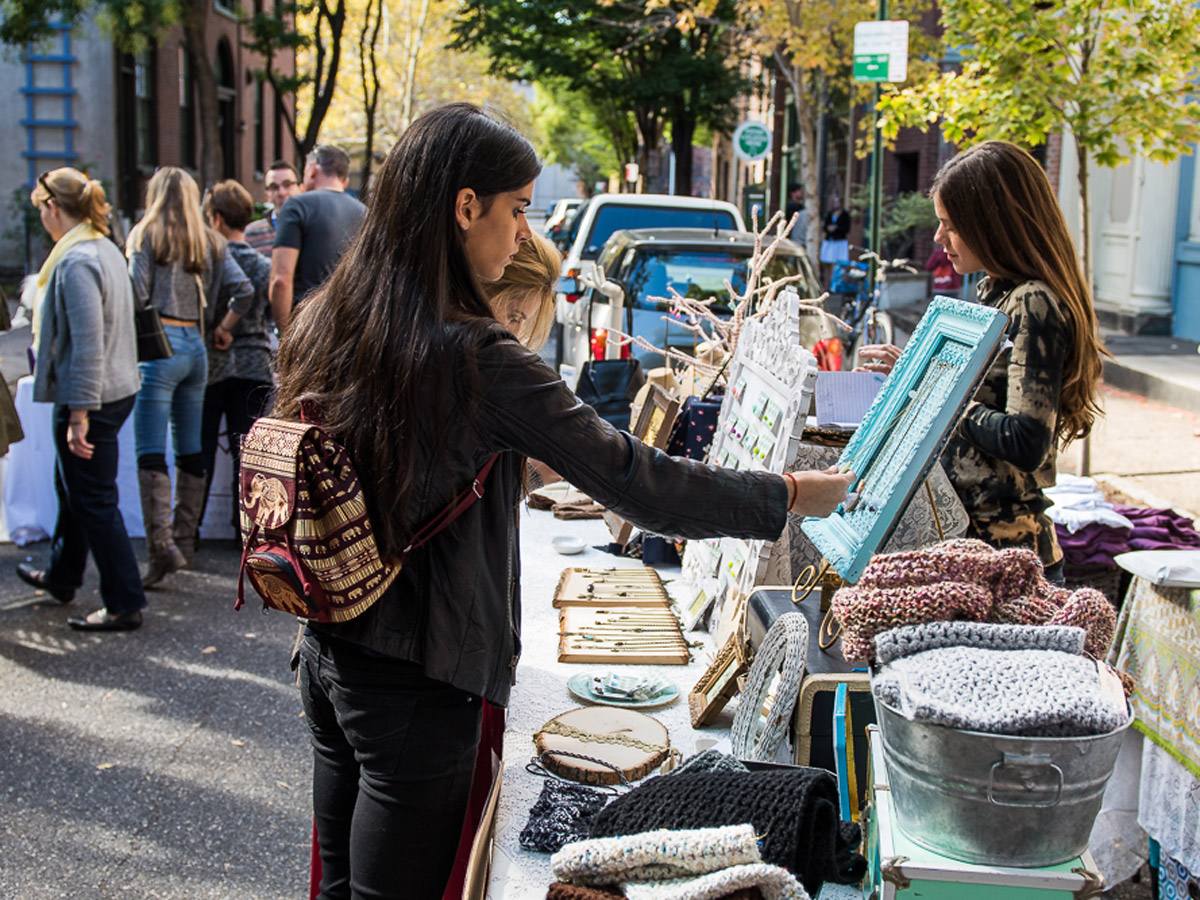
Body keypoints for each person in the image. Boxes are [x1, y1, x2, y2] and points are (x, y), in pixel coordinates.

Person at [273, 102, 854, 900]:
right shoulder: (474, 354)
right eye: (517, 210)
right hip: (422, 674)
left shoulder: (332, 316)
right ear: (464, 206)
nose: (521, 235)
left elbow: (396, 467)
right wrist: (788, 493)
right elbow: (638, 480)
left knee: (337, 883)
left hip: (331, 649)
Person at [857, 140, 1106, 585]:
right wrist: (915, 371)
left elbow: (1026, 440)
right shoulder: (995, 291)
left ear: (992, 225)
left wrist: (934, 394)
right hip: (970, 548)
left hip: (1008, 560)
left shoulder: (1034, 302)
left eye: (950, 225)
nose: (938, 238)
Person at [16, 168, 147, 631]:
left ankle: (124, 601)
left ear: (53, 208)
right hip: (113, 388)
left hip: (90, 396)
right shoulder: (103, 246)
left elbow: (88, 342)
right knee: (74, 491)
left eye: (42, 211)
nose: (42, 220)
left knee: (91, 499)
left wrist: (78, 415)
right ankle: (61, 576)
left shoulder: (74, 261)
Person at [127, 167, 253, 587]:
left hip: (159, 348)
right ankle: (182, 541)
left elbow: (136, 294)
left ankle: (161, 548)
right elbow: (245, 289)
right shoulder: (210, 240)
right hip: (197, 350)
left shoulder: (147, 235)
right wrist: (224, 326)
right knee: (189, 448)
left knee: (149, 449)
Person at [200, 180, 275, 533]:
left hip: (212, 365)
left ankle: (193, 528)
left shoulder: (208, 262)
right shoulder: (264, 265)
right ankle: (245, 531)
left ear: (215, 219)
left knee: (201, 447)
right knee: (248, 454)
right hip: (254, 364)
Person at [269, 144, 366, 330]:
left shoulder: (296, 206)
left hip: (306, 326)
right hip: (348, 329)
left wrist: (284, 335)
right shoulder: (365, 213)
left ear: (313, 170)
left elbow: (280, 280)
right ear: (345, 181)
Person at [244, 160, 304, 257]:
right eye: (274, 187)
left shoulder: (312, 229)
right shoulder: (251, 233)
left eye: (287, 184)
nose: (281, 193)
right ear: (266, 195)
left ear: (301, 189)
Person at [819, 193, 850, 286]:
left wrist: (836, 228)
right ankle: (826, 285)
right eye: (834, 202)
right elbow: (824, 227)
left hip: (840, 241)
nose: (835, 204)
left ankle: (838, 284)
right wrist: (829, 229)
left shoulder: (845, 215)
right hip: (830, 241)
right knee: (827, 263)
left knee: (841, 264)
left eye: (837, 202)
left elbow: (847, 229)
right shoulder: (829, 214)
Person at [785, 182, 807, 253]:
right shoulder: (791, 207)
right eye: (799, 190)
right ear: (793, 193)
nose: (802, 192)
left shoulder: (800, 207)